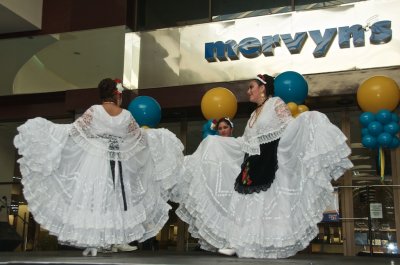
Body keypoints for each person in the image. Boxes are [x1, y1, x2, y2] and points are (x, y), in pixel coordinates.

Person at [174, 74, 353, 258]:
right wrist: (220, 143)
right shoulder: (253, 114)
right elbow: (247, 141)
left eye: (251, 87)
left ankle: (270, 246)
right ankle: (238, 243)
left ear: (263, 88)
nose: (248, 91)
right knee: (243, 204)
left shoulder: (276, 104)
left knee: (268, 203)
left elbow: (289, 126)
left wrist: (307, 121)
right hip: (251, 165)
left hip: (270, 162)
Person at [14, 78, 184, 256]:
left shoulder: (94, 111)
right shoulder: (125, 114)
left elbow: (73, 130)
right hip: (119, 163)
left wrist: (48, 131)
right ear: (117, 95)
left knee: (97, 199)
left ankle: (102, 241)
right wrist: (158, 138)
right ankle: (115, 240)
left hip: (96, 161)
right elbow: (139, 138)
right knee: (117, 199)